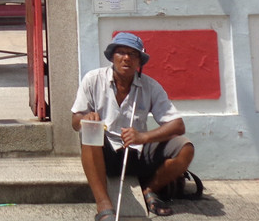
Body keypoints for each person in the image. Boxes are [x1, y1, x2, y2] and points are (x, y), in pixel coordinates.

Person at [71, 31, 195, 218]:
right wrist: (86, 118)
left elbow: (177, 125)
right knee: (89, 129)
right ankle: (104, 205)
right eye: (121, 52)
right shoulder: (93, 79)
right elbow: (75, 121)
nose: (126, 58)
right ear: (112, 56)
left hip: (137, 153)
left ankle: (150, 189)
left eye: (133, 54)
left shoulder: (150, 86)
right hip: (105, 154)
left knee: (185, 147)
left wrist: (143, 136)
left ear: (140, 61)